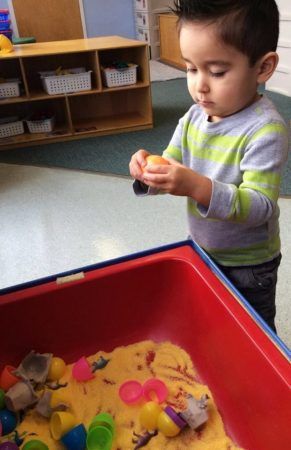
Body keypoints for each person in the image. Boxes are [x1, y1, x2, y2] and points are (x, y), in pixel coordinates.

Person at [129, 0, 289, 332]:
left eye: (216, 72)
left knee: (252, 332)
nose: (200, 85)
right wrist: (149, 173)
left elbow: (259, 206)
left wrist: (196, 186)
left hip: (250, 265)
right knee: (209, 321)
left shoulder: (265, 130)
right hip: (202, 248)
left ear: (262, 68)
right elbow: (172, 164)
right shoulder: (193, 117)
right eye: (190, 68)